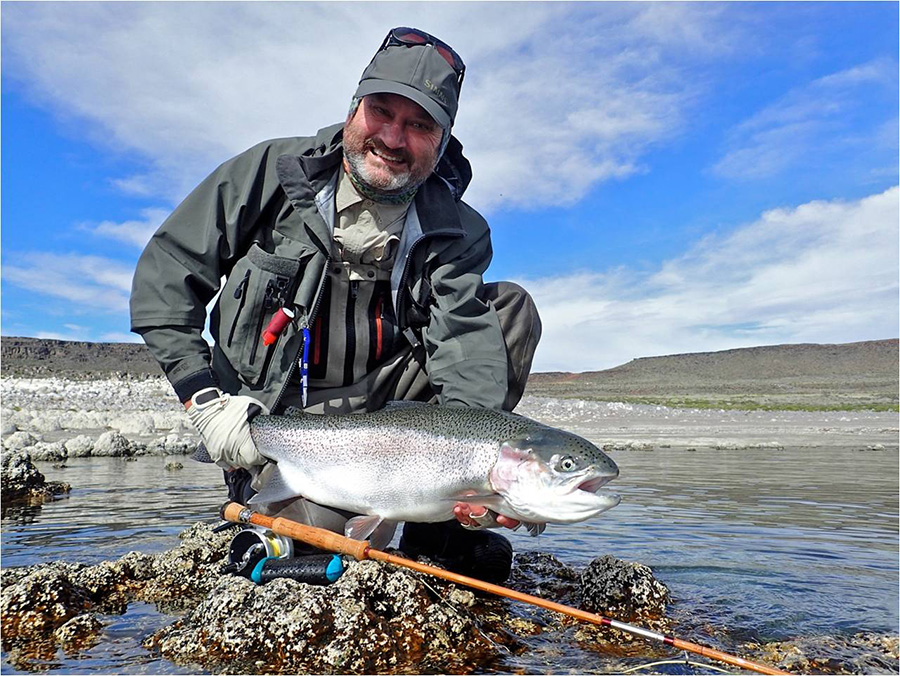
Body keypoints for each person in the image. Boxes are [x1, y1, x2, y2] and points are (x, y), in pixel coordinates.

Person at [130, 27, 541, 583]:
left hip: (389, 420)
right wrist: (203, 399)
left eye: (420, 125)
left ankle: (440, 521)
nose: (394, 137)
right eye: (382, 111)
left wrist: (476, 473)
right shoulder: (271, 173)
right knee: (313, 554)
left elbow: (466, 347)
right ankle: (265, 492)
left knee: (508, 308)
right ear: (354, 109)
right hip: (271, 415)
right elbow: (168, 274)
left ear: (443, 142)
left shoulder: (459, 230)